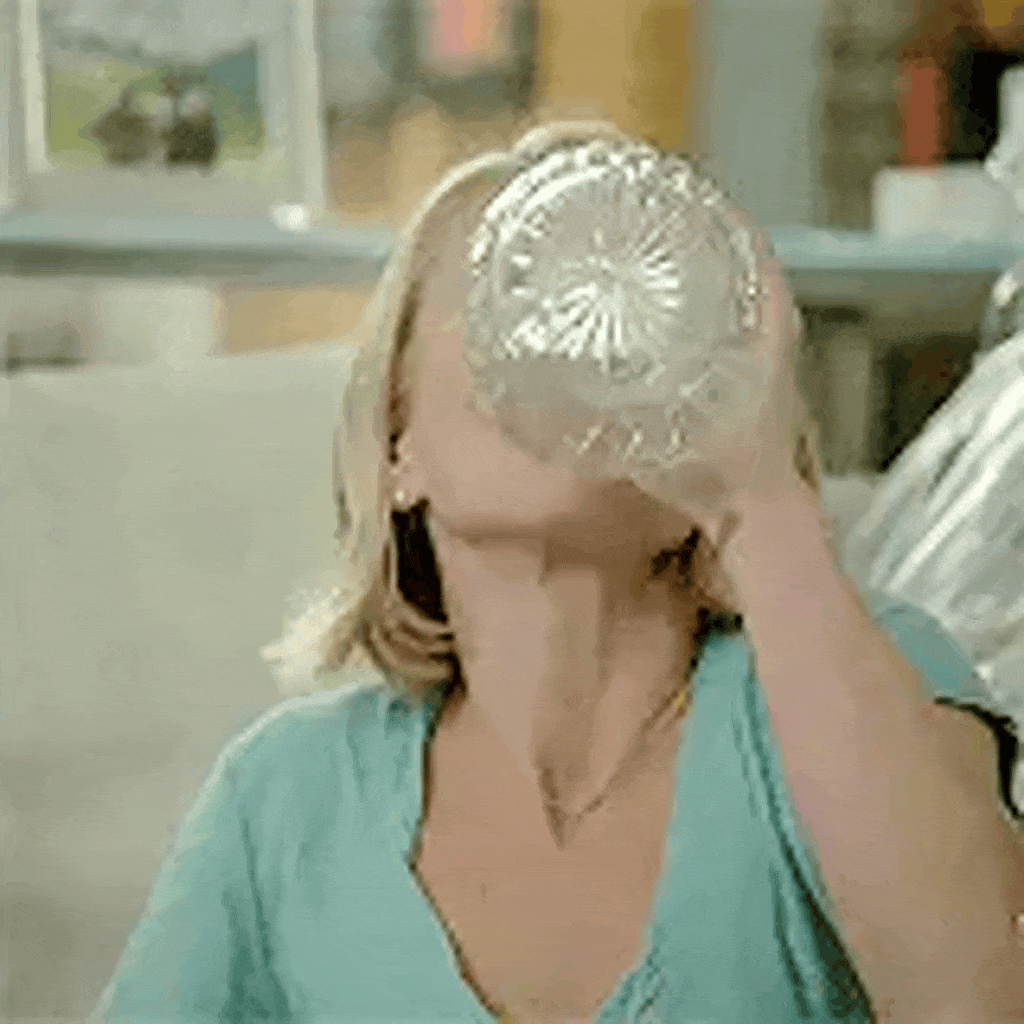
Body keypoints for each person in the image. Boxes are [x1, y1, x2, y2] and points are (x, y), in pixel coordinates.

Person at [92, 121, 1024, 1024]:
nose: (563, 340)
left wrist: (758, 499)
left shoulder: (859, 678)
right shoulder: (289, 796)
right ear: (397, 447)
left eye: (624, 313)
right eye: (505, 286)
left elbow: (977, 1003)